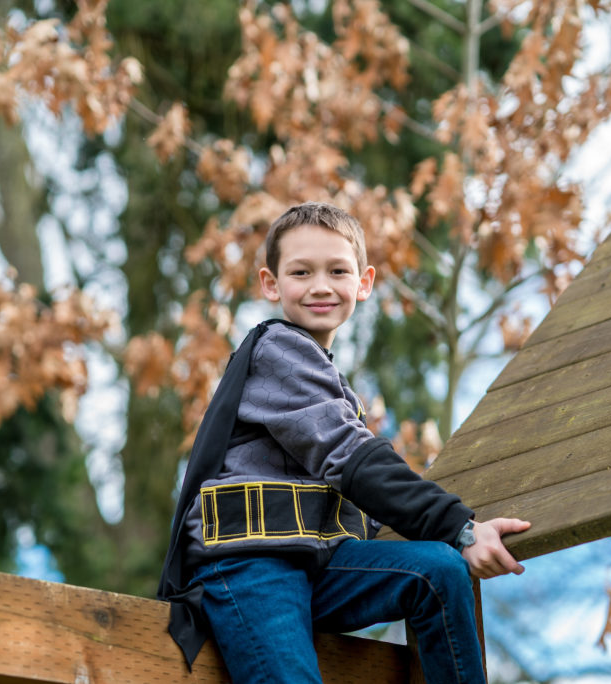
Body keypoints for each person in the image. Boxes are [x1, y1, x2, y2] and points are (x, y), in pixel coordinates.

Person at [158, 202, 530, 683]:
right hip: (251, 567)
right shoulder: (276, 348)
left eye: (337, 270)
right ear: (271, 283)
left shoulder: (328, 378)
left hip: (317, 566)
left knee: (436, 572)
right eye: (301, 271)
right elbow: (351, 458)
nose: (320, 285)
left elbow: (359, 488)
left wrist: (451, 536)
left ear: (364, 282)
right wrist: (459, 527)